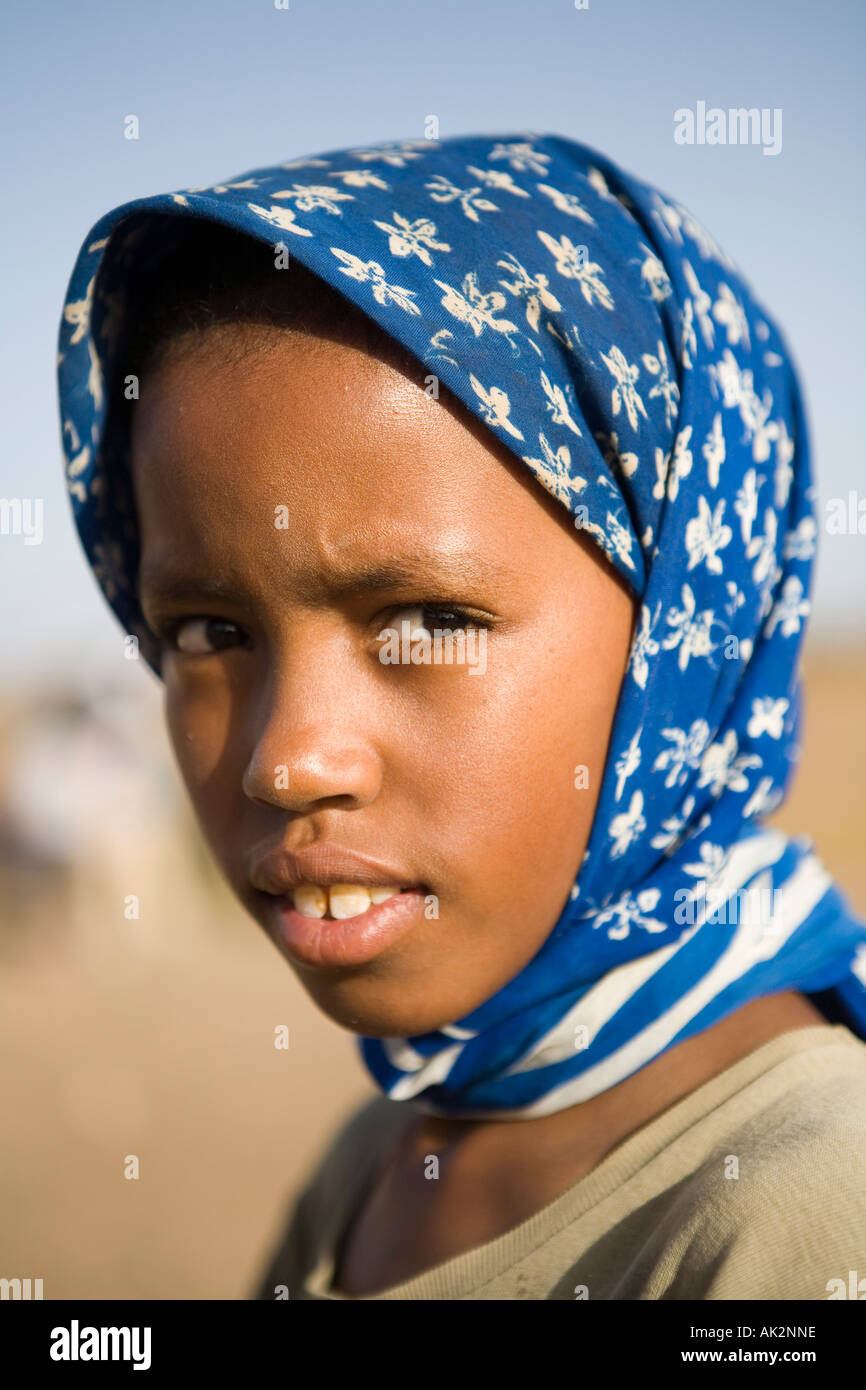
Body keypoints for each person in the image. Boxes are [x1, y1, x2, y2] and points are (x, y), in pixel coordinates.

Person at [57, 132, 866, 1300]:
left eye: (428, 617)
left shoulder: (801, 1215)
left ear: (687, 634)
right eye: (205, 633)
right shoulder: (386, 1152)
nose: (287, 762)